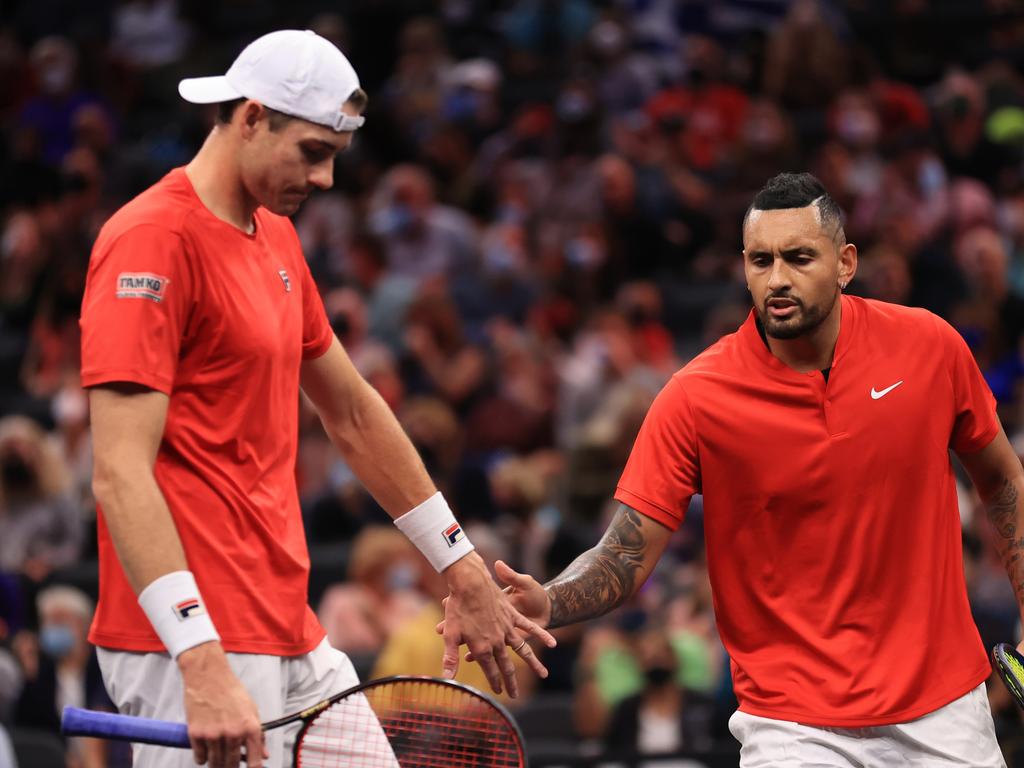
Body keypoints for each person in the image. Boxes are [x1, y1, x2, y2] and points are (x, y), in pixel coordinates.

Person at [79, 29, 553, 768]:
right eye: (313, 152)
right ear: (251, 117)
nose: (327, 180)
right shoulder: (148, 239)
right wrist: (198, 660)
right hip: (195, 639)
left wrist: (458, 566)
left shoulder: (277, 237)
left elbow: (354, 412)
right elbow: (117, 472)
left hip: (289, 627)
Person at [467, 173, 1020, 766]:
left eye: (799, 257)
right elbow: (622, 557)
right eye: (761, 260)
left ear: (845, 262)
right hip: (793, 728)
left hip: (944, 710)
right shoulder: (696, 397)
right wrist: (547, 602)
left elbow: (1004, 483)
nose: (777, 278)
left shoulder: (929, 346)